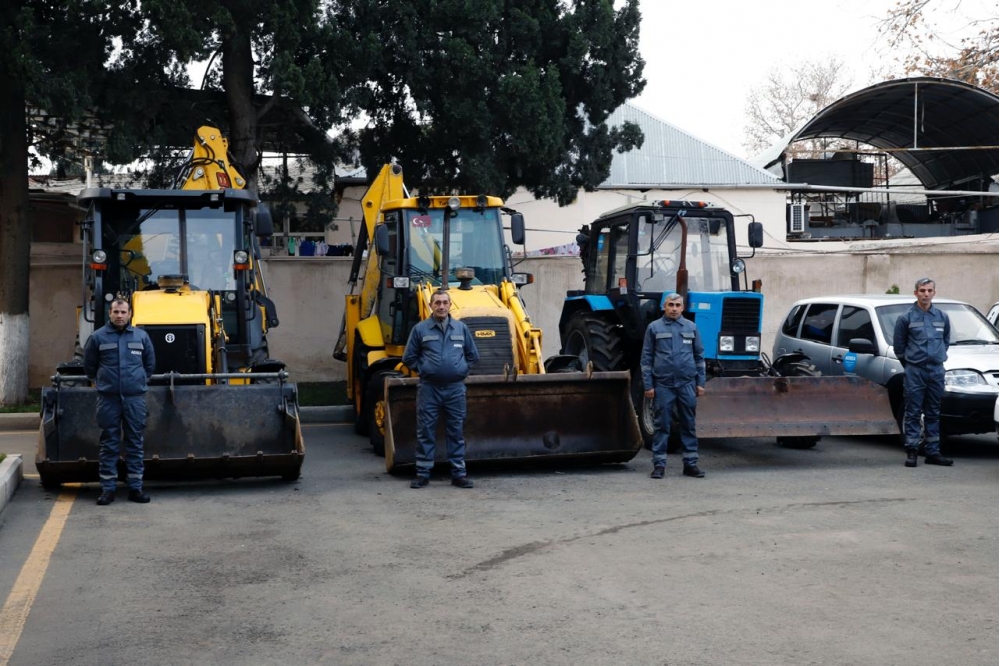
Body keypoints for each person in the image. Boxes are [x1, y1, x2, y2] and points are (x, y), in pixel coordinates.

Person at [401, 289, 480, 489]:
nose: (442, 306)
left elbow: (473, 355)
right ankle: (423, 473)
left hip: (455, 389)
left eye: (445, 302)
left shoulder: (460, 328)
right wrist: (424, 370)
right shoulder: (420, 329)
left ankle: (458, 474)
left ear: (450, 305)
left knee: (455, 431)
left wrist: (461, 371)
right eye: (437, 303)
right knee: (425, 430)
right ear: (431, 306)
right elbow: (408, 357)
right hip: (429, 389)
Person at [83, 298, 157, 505]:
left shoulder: (141, 337)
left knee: (135, 443)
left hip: (135, 399)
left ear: (130, 313)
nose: (119, 315)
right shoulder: (97, 337)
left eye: (123, 312)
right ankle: (108, 489)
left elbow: (149, 365)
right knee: (109, 443)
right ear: (110, 313)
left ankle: (135, 488)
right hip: (109, 399)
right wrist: (102, 382)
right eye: (116, 312)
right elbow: (89, 366)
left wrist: (138, 381)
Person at [641, 292, 707, 479]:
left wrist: (700, 383)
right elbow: (646, 359)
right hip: (663, 385)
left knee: (688, 424)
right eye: (670, 305)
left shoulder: (691, 327)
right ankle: (659, 465)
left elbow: (699, 357)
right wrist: (648, 386)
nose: (674, 308)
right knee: (662, 425)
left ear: (683, 307)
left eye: (678, 305)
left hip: (686, 384)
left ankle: (690, 464)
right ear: (664, 306)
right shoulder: (654, 328)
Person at [892, 277, 953, 468]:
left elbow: (945, 341)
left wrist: (936, 358)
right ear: (916, 293)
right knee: (913, 411)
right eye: (922, 290)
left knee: (934, 411)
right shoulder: (906, 318)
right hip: (915, 370)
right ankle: (912, 450)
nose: (925, 294)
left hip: (936, 370)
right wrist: (911, 364)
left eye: (929, 290)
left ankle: (933, 452)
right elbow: (899, 347)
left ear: (934, 292)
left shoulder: (942, 317)